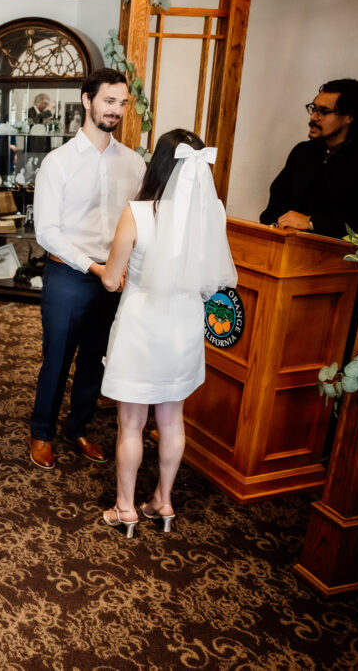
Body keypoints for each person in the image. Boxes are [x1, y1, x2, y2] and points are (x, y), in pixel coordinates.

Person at [99, 129, 237, 537]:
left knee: (131, 424)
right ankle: (163, 501)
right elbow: (214, 280)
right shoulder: (214, 212)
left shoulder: (138, 213)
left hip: (142, 326)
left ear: (160, 165)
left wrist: (127, 278)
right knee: (172, 420)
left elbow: (109, 280)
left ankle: (125, 508)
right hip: (185, 325)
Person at [28, 68, 147, 470]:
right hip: (68, 276)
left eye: (121, 103)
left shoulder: (133, 164)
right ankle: (41, 432)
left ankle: (76, 427)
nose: (115, 110)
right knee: (57, 358)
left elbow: (140, 223)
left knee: (96, 357)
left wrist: (120, 270)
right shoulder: (58, 163)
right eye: (108, 101)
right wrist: (94, 267)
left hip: (113, 279)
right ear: (87, 101)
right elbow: (46, 232)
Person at [259, 78, 358, 239]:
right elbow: (275, 205)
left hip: (340, 258)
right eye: (313, 109)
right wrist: (284, 222)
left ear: (349, 116)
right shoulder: (302, 152)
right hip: (287, 246)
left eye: (323, 111)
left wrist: (312, 223)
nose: (314, 117)